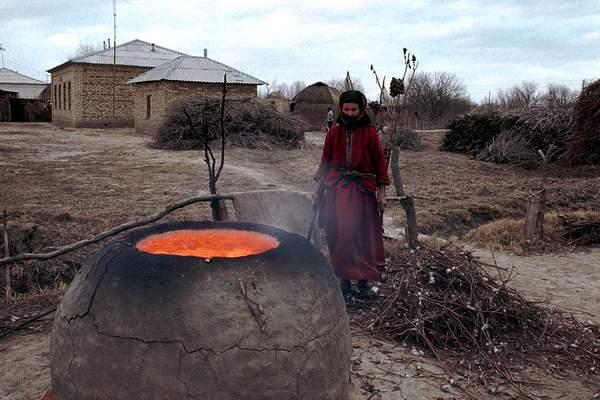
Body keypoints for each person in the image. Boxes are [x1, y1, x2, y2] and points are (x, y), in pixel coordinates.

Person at [314, 90, 389, 301]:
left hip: (362, 191)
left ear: (361, 110)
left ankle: (364, 282)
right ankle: (345, 281)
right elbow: (325, 163)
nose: (349, 113)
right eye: (346, 109)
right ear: (341, 109)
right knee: (338, 234)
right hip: (337, 191)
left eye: (353, 109)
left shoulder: (370, 134)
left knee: (363, 236)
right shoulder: (333, 134)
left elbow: (380, 165)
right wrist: (317, 191)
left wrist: (381, 193)